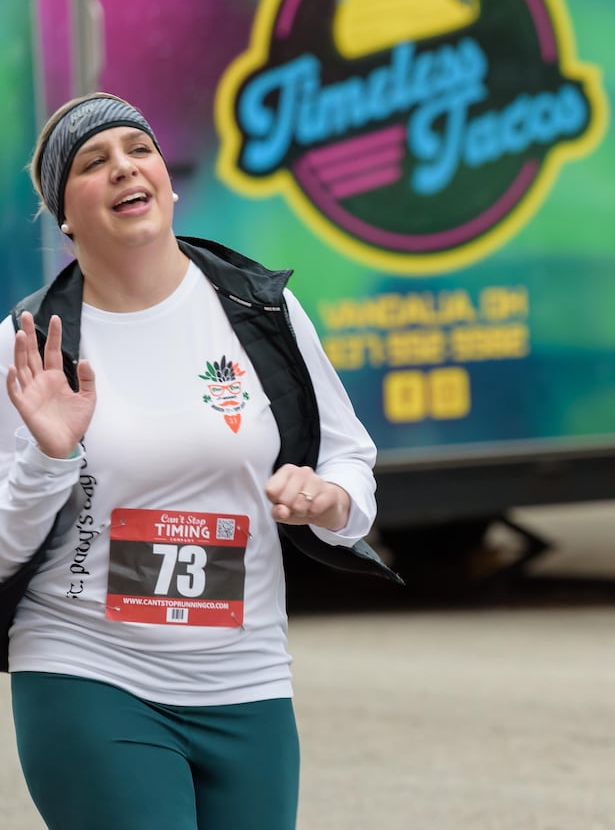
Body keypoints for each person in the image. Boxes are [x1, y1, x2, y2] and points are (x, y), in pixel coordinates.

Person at [0, 92, 401, 830]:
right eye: (95, 162)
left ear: (167, 179)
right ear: (65, 213)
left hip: (248, 680)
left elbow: (350, 459)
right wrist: (50, 459)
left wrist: (330, 500)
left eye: (138, 150)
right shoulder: (32, 349)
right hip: (89, 672)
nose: (125, 168)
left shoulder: (258, 309)